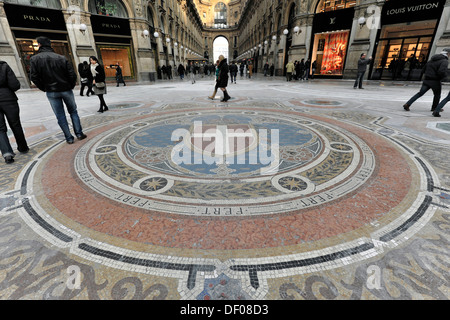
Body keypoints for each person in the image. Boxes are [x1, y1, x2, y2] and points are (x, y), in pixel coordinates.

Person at [30, 36, 87, 144]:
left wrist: (44, 88)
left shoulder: (35, 59)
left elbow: (34, 77)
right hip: (65, 89)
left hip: (51, 92)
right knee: (73, 111)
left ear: (40, 45)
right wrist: (69, 86)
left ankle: (69, 138)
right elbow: (72, 75)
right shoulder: (61, 58)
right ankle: (79, 133)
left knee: (60, 115)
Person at [404, 48, 450, 113]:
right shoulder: (444, 61)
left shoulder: (431, 60)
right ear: (447, 54)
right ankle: (434, 108)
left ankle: (407, 104)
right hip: (435, 81)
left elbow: (423, 70)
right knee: (437, 95)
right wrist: (444, 78)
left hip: (426, 80)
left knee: (420, 93)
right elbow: (441, 71)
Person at [0, 60, 29, 163]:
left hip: (7, 99)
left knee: (0, 129)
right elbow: (15, 85)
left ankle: (7, 153)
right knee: (15, 124)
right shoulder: (3, 66)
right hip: (8, 99)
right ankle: (23, 147)